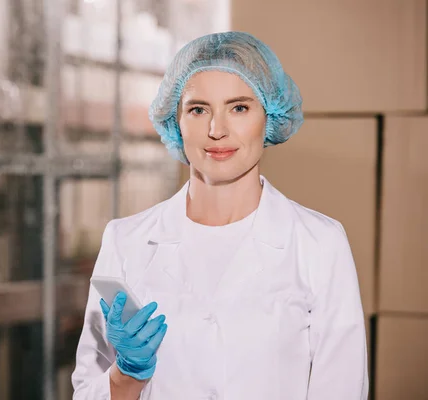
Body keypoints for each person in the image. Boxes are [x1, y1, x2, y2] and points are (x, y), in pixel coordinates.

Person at [71, 31, 368, 399]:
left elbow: (340, 387)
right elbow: (87, 390)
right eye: (198, 109)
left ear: (268, 116)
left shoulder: (320, 243)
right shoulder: (125, 241)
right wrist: (127, 376)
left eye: (239, 107)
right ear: (175, 120)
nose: (217, 130)